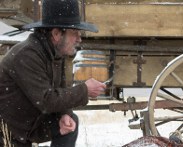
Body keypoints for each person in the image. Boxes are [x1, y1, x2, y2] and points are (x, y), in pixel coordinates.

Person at [0, 0, 106, 146]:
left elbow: (60, 91)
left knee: (70, 123)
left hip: (27, 128)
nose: (79, 39)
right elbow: (46, 101)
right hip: (9, 133)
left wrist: (65, 114)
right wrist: (85, 90)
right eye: (74, 33)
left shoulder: (55, 53)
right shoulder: (27, 55)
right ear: (56, 33)